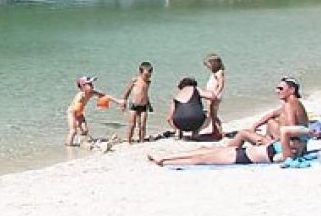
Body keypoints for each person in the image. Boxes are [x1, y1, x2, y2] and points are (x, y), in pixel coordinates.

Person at [152, 76, 309, 166]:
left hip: (245, 156)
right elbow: (289, 132)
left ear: (292, 90)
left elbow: (288, 133)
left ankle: (165, 159)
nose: (277, 91)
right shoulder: (291, 107)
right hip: (245, 152)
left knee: (204, 158)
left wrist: (302, 137)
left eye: (280, 89)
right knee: (207, 154)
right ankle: (164, 158)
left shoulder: (291, 106)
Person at [66, 75, 121, 146]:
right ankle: (69, 146)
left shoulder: (92, 93)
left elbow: (105, 96)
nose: (92, 85)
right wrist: (78, 122)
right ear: (83, 87)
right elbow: (74, 110)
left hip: (79, 113)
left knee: (85, 131)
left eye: (91, 83)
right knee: (73, 131)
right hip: (72, 113)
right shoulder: (81, 96)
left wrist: (118, 101)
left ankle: (81, 142)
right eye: (89, 84)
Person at [120, 61, 154, 143]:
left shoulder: (148, 82)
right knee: (132, 125)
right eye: (146, 75)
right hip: (134, 105)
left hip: (144, 105)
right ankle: (129, 141)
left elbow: (145, 94)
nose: (147, 77)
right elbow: (127, 92)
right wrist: (123, 102)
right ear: (140, 72)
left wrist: (149, 105)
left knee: (142, 125)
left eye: (149, 75)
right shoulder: (135, 80)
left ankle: (141, 141)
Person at [202, 53, 227, 138]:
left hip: (215, 96)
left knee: (214, 115)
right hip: (212, 96)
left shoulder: (219, 73)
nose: (208, 67)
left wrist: (216, 93)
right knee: (212, 115)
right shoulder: (215, 73)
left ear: (214, 63)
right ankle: (215, 131)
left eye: (208, 65)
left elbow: (221, 84)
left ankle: (218, 132)